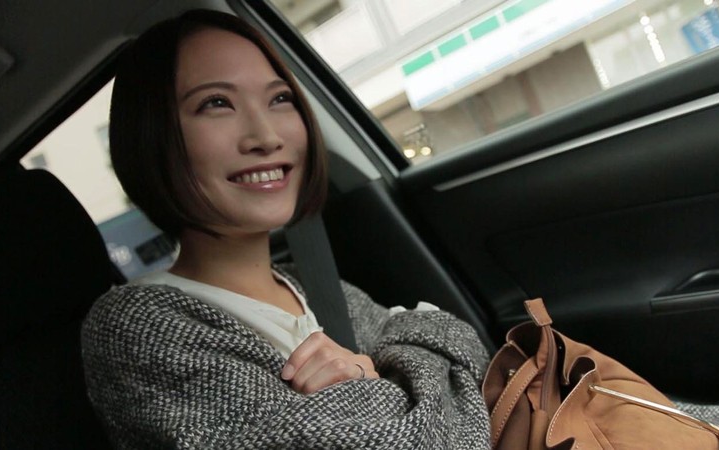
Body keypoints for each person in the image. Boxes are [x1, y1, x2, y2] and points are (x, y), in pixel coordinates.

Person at [80, 9, 491, 449]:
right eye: (216, 103)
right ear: (151, 136)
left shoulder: (315, 285)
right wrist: (403, 373)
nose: (266, 136)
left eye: (279, 99)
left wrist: (368, 383)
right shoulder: (139, 323)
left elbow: (467, 348)